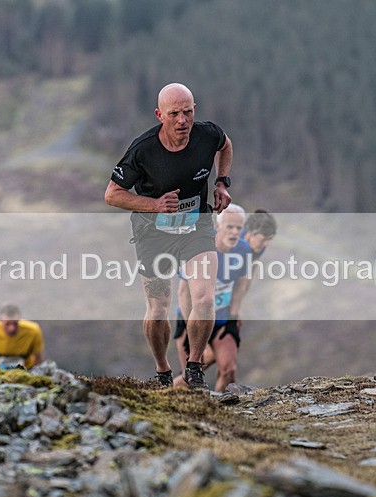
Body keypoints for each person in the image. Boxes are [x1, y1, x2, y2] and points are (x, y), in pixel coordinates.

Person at [104, 82, 233, 389]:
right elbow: (112, 194)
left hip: (196, 224)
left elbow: (226, 145)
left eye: (187, 112)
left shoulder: (207, 134)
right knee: (159, 307)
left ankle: (194, 367)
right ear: (159, 114)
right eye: (174, 113)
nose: (182, 121)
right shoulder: (142, 150)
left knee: (203, 297)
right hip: (153, 232)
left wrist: (222, 182)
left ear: (194, 111)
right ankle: (162, 370)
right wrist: (154, 205)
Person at [173, 208, 278, 391]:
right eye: (230, 227)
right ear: (217, 227)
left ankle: (219, 412)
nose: (235, 232)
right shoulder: (198, 246)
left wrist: (234, 315)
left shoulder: (246, 249)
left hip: (222, 317)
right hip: (194, 318)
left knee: (228, 371)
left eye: (238, 228)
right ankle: (157, 397)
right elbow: (183, 291)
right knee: (190, 379)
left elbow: (242, 283)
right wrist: (189, 323)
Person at [0, 303, 44, 369]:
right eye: (7, 324)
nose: (12, 328)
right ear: (0, 320)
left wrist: (33, 373)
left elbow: (38, 356)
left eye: (15, 323)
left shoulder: (33, 330)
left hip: (27, 369)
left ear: (19, 319)